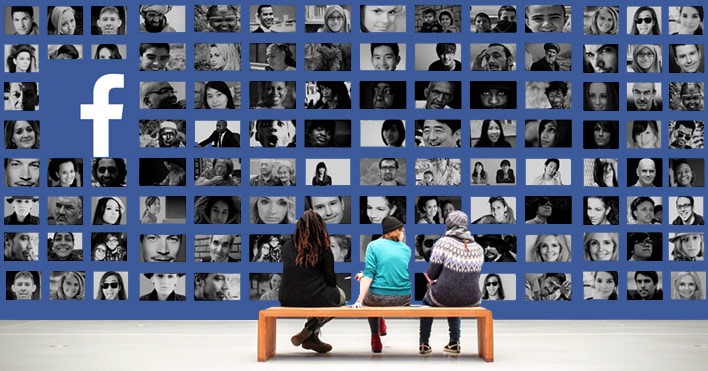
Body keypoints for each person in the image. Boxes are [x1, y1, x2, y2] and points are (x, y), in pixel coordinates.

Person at [278, 210, 346, 353]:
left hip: (286, 298)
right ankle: (310, 329)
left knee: (315, 296)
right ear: (321, 227)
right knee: (340, 297)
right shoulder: (324, 248)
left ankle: (312, 338)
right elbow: (331, 281)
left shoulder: (286, 246)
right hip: (314, 295)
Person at [417, 211, 482, 355]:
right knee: (455, 297)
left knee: (429, 301)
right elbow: (475, 277)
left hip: (443, 296)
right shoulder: (478, 247)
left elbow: (432, 274)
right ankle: (454, 343)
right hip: (473, 299)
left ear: (449, 224)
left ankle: (424, 344)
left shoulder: (443, 243)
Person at [353, 216, 411, 353]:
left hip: (378, 298)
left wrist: (359, 300)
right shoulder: (406, 249)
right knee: (375, 287)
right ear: (396, 231)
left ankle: (375, 338)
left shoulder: (373, 246)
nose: (403, 234)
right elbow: (390, 272)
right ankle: (382, 323)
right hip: (403, 297)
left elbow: (369, 275)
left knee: (371, 296)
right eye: (402, 231)